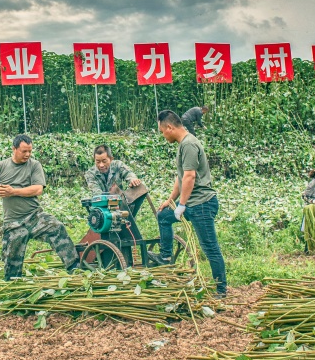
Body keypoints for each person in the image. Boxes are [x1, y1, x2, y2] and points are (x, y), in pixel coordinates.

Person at [150, 110, 227, 298]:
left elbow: (191, 176)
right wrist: (171, 200)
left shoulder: (190, 144)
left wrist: (182, 204)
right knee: (163, 216)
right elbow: (181, 177)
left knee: (209, 247)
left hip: (201, 204)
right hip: (191, 204)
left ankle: (221, 290)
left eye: (162, 131)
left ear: (169, 127)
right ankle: (165, 256)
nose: (163, 135)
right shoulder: (182, 144)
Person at [0, 134, 79, 280]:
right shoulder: (2, 166)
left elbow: (38, 189)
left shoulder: (34, 165)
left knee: (57, 227)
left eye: (30, 151)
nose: (28, 154)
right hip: (13, 222)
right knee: (11, 264)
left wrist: (13, 191)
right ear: (14, 149)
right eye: (24, 151)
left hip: (34, 216)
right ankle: (13, 284)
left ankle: (74, 267)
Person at [85, 145, 143, 266]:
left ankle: (127, 261)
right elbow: (97, 195)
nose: (101, 165)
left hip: (120, 208)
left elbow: (128, 173)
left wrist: (133, 180)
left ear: (111, 159)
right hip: (103, 211)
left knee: (126, 233)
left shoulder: (118, 165)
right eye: (98, 161)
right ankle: (110, 262)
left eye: (104, 161)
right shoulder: (90, 174)